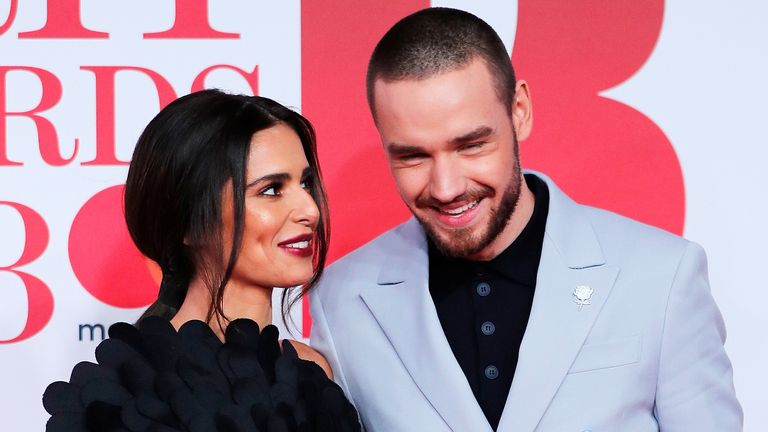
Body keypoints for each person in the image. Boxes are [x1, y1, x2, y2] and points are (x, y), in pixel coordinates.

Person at [310, 7, 742, 432]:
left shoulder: (661, 276)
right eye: (413, 156)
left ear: (519, 111)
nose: (445, 187)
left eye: (471, 145)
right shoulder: (342, 299)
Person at [43, 89, 361, 432]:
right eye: (271, 190)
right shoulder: (124, 398)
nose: (310, 210)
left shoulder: (313, 372)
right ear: (189, 222)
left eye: (306, 182)